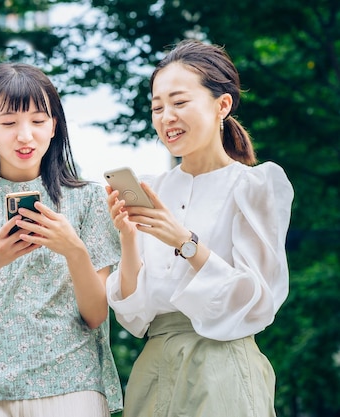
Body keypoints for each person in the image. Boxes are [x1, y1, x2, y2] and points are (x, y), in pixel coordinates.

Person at [105, 39, 294, 416]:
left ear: (222, 104)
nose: (166, 116)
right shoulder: (151, 188)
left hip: (222, 365)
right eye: (157, 107)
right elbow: (135, 315)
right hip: (154, 368)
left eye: (179, 102)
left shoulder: (253, 187)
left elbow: (257, 299)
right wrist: (128, 239)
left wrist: (185, 243)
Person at [0, 62, 123, 417]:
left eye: (37, 120)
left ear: (54, 126)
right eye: (9, 122)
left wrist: (73, 249)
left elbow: (96, 315)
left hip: (72, 384)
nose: (25, 135)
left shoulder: (89, 200)